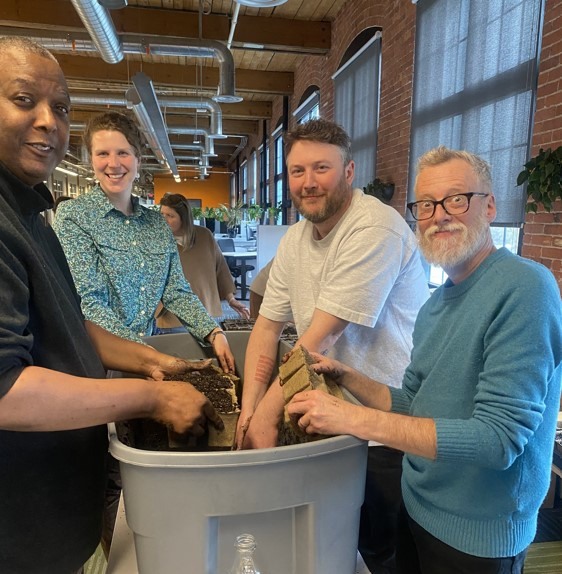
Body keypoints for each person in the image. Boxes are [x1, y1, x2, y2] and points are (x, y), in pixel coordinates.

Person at [0, 37, 222, 574]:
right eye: (23, 99)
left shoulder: (32, 215)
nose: (48, 121)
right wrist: (148, 395)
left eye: (60, 107)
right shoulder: (60, 220)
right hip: (22, 517)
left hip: (67, 470)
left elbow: (70, 324)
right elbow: (6, 389)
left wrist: (161, 360)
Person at [288, 147, 562, 574]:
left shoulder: (526, 287)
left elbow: (498, 440)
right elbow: (415, 401)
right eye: (427, 205)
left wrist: (348, 418)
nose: (439, 216)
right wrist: (350, 378)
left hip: (479, 536)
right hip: (416, 508)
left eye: (457, 199)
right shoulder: (436, 305)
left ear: (489, 206)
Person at [238, 118, 429, 573]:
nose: (308, 183)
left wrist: (266, 413)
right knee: (334, 541)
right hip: (331, 413)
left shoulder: (373, 227)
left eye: (320, 168)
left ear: (348, 171)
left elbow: (324, 334)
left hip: (386, 419)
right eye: (298, 171)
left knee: (381, 551)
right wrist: (248, 410)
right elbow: (265, 328)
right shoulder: (297, 239)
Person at [53, 111, 235, 373]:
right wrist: (146, 356)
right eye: (102, 153)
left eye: (123, 153)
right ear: (90, 160)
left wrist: (213, 332)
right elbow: (89, 302)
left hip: (150, 354)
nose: (113, 164)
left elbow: (175, 291)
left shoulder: (157, 223)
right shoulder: (74, 217)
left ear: (138, 160)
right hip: (100, 358)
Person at [157, 193, 250, 328]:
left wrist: (231, 299)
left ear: (184, 218)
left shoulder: (204, 236)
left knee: (206, 348)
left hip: (205, 312)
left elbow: (220, 269)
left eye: (170, 216)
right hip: (173, 316)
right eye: (161, 215)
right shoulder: (157, 242)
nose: (164, 220)